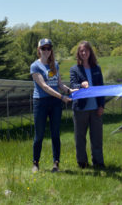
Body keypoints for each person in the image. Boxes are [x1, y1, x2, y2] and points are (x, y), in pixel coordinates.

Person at [30, 38, 76, 173]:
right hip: (41, 102)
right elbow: (44, 86)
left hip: (55, 103)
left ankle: (56, 163)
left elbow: (59, 84)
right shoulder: (35, 66)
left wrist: (69, 90)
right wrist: (62, 97)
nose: (46, 51)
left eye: (48, 48)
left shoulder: (55, 65)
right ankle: (35, 163)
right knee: (39, 135)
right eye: (43, 48)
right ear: (39, 50)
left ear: (51, 50)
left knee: (55, 134)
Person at [70, 41, 105, 169]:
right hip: (80, 108)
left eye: (86, 50)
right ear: (78, 53)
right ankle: (82, 162)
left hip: (96, 108)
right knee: (80, 137)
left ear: (90, 52)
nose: (84, 53)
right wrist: (81, 85)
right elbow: (73, 86)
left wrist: (101, 105)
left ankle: (98, 162)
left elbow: (101, 88)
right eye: (81, 51)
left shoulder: (97, 68)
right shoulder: (74, 69)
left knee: (97, 137)